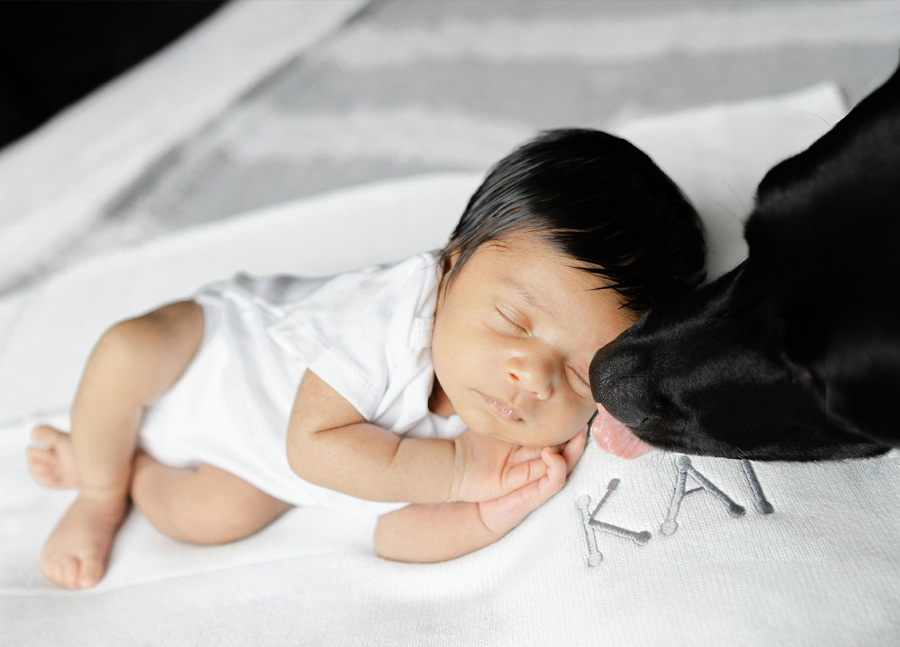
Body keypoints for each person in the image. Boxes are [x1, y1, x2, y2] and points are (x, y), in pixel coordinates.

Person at [26, 129, 706, 589]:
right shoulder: (395, 308)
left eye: (580, 370)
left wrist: (486, 513)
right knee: (127, 352)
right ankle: (96, 488)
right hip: (214, 351)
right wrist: (461, 471)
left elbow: (391, 534)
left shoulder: (508, 432)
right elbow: (314, 444)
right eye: (512, 320)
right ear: (454, 262)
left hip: (255, 463)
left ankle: (124, 457)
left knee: (206, 521)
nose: (530, 375)